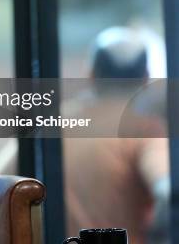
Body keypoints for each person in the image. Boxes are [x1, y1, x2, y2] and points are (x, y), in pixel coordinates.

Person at [63, 27, 169, 244]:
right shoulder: (144, 129)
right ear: (146, 77)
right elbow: (167, 189)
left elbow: (1, 184)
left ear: (90, 75)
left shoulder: (58, 121)